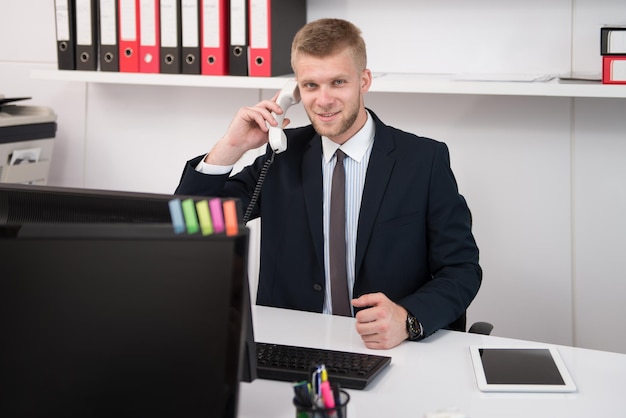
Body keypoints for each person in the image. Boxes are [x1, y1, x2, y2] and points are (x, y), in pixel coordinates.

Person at [175, 18, 481, 349]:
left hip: (386, 348)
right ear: (295, 90)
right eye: (310, 86)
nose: (323, 100)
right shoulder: (281, 157)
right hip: (290, 347)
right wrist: (230, 148)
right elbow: (190, 226)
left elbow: (461, 269)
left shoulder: (423, 160)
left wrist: (407, 319)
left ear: (364, 80)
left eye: (337, 82)